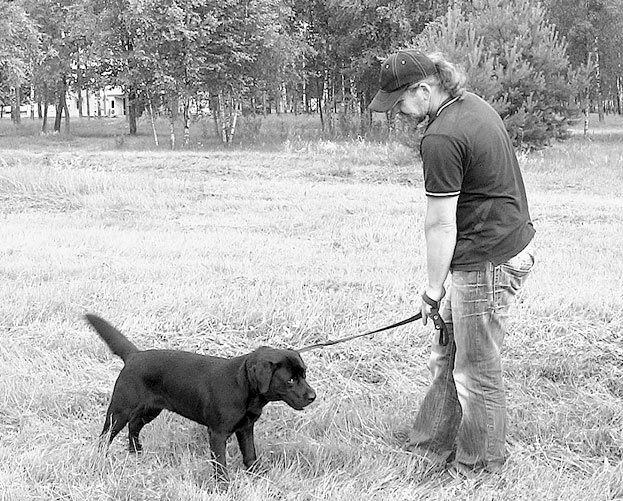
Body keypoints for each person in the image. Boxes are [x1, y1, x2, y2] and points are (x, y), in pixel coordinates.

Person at [369, 49, 535, 475]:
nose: (399, 113)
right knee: (448, 356)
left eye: (401, 102)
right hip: (499, 247)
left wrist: (432, 289)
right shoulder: (470, 104)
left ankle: (479, 469)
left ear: (423, 90)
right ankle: (430, 446)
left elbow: (441, 224)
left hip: (487, 260)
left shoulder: (441, 137)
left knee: (475, 372)